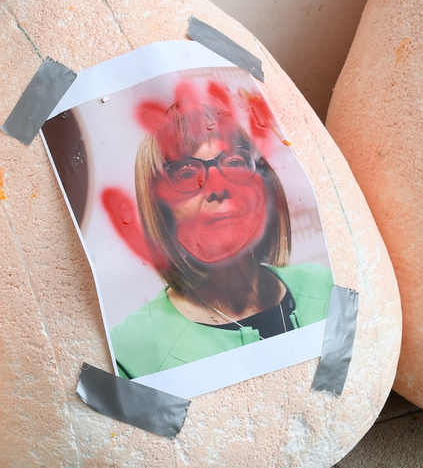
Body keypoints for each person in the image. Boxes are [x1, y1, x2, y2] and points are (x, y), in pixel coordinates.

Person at [108, 84, 332, 379]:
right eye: (186, 173)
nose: (219, 187)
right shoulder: (130, 353)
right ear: (159, 208)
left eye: (235, 163)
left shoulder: (324, 286)